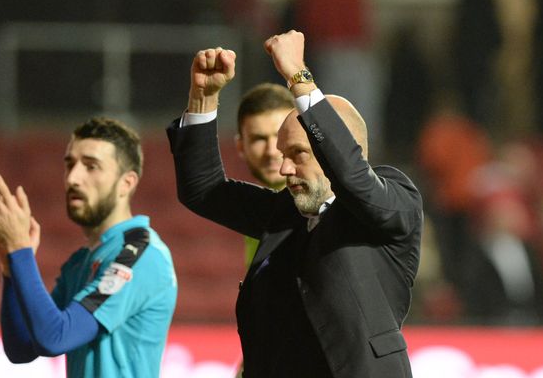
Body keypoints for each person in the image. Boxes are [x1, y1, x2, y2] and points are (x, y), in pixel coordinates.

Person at [167, 30, 422, 377]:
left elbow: (353, 178)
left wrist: (298, 75)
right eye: (284, 155)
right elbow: (203, 188)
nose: (284, 168)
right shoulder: (285, 215)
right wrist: (203, 97)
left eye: (298, 154)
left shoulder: (394, 201)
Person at [0, 117, 177, 378]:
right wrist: (10, 267)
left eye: (91, 166)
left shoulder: (139, 254)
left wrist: (21, 250)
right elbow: (22, 347)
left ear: (126, 183)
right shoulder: (82, 261)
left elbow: (55, 337)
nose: (73, 178)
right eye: (70, 164)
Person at [235, 83, 296, 265]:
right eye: (259, 139)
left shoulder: (319, 209)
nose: (271, 151)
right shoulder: (258, 210)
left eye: (279, 136)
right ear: (240, 147)